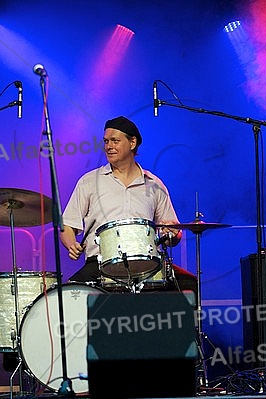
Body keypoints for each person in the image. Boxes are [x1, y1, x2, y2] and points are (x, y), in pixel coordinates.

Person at [60, 115, 197, 297]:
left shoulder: (154, 185)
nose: (108, 146)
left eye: (115, 141)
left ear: (132, 143)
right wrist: (71, 244)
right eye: (106, 141)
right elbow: (67, 226)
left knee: (189, 284)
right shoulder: (89, 181)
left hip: (148, 264)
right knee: (69, 297)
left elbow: (173, 229)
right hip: (100, 262)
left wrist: (172, 235)